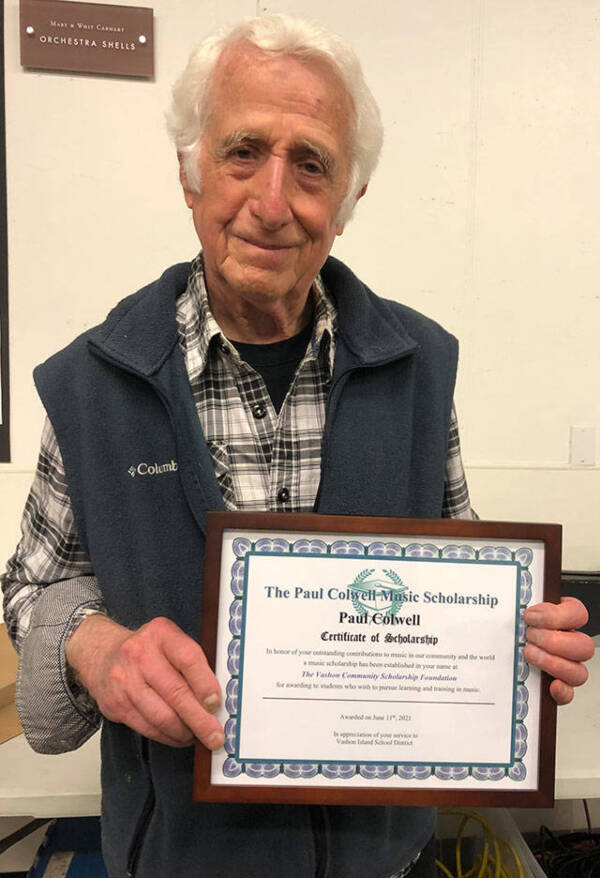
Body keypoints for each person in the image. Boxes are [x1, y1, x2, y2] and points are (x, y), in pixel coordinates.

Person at [2, 14, 593, 878]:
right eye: (243, 152)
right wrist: (92, 646)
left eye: (311, 164)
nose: (272, 202)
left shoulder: (420, 369)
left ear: (349, 199)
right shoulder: (93, 383)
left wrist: (525, 638)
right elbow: (29, 588)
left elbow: (456, 569)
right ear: (190, 171)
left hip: (382, 861)